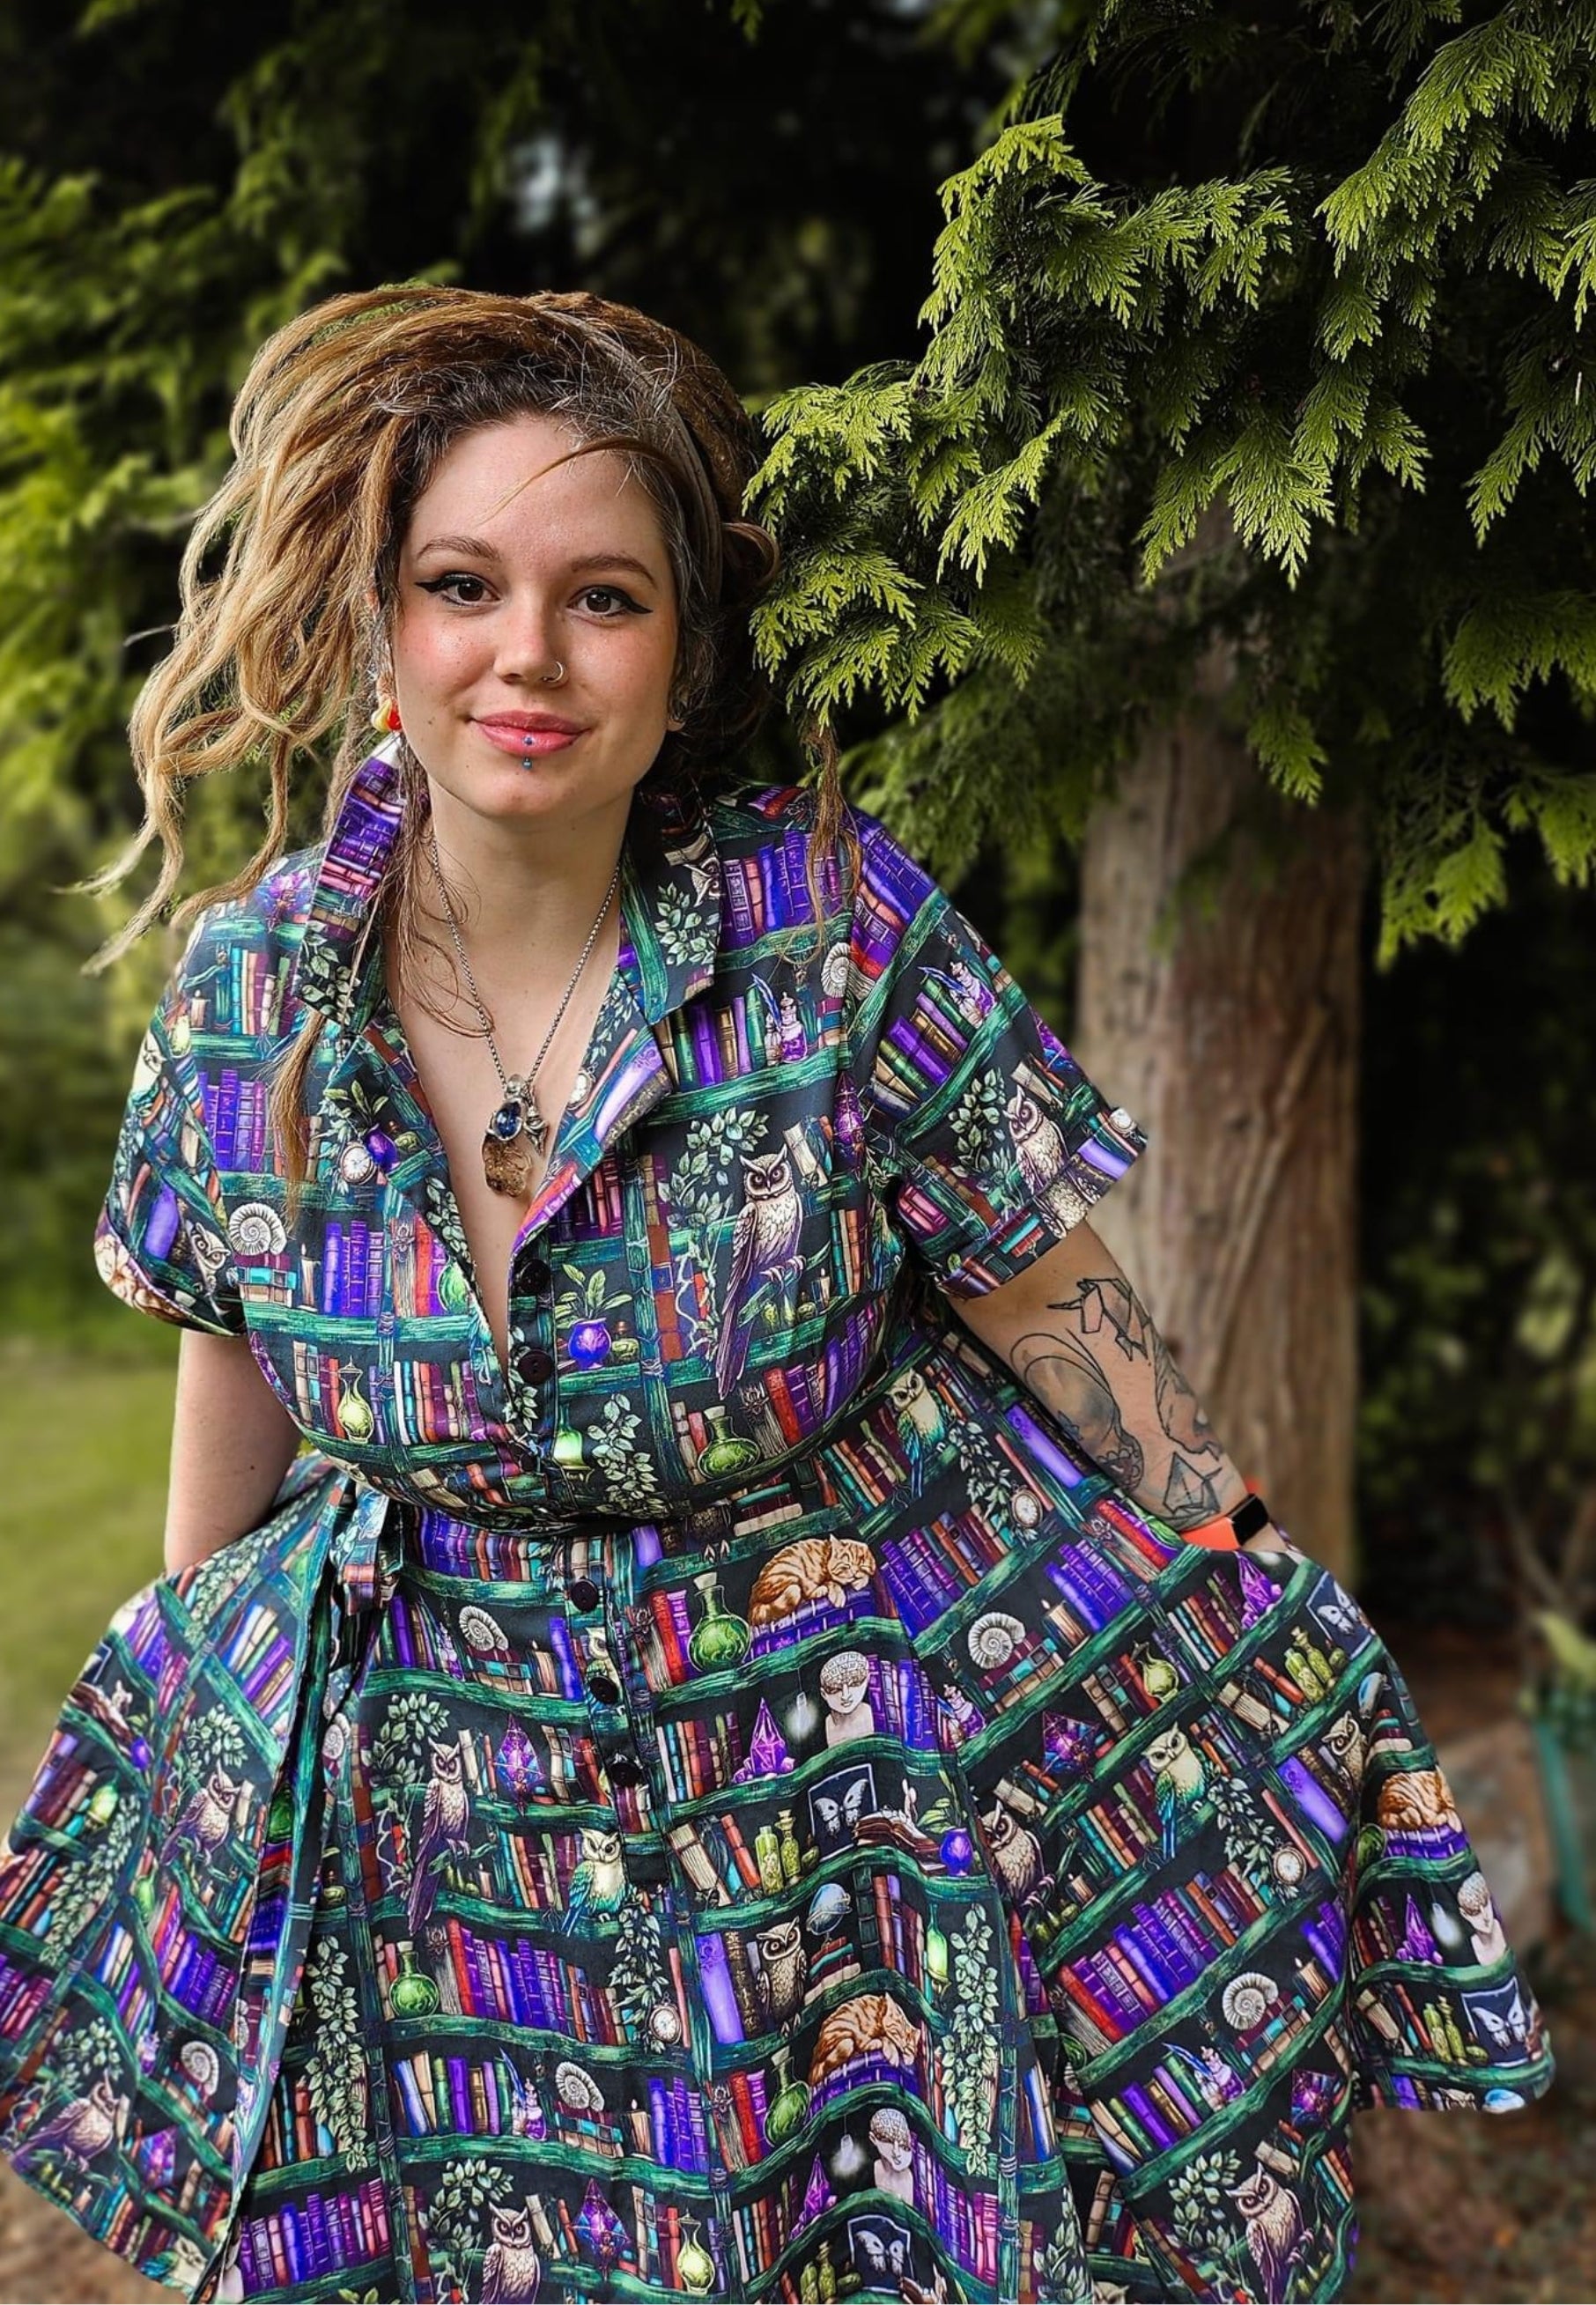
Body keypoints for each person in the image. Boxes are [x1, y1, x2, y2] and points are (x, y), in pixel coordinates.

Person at [0, 284, 1552, 2305]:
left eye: (605, 598)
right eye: (463, 583)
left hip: (820, 1819)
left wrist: (1250, 1571)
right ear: (381, 628)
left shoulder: (824, 925)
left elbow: (1067, 1321)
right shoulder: (248, 994)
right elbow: (235, 1375)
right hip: (439, 1860)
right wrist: (200, 1722)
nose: (528, 655)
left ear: (680, 647)